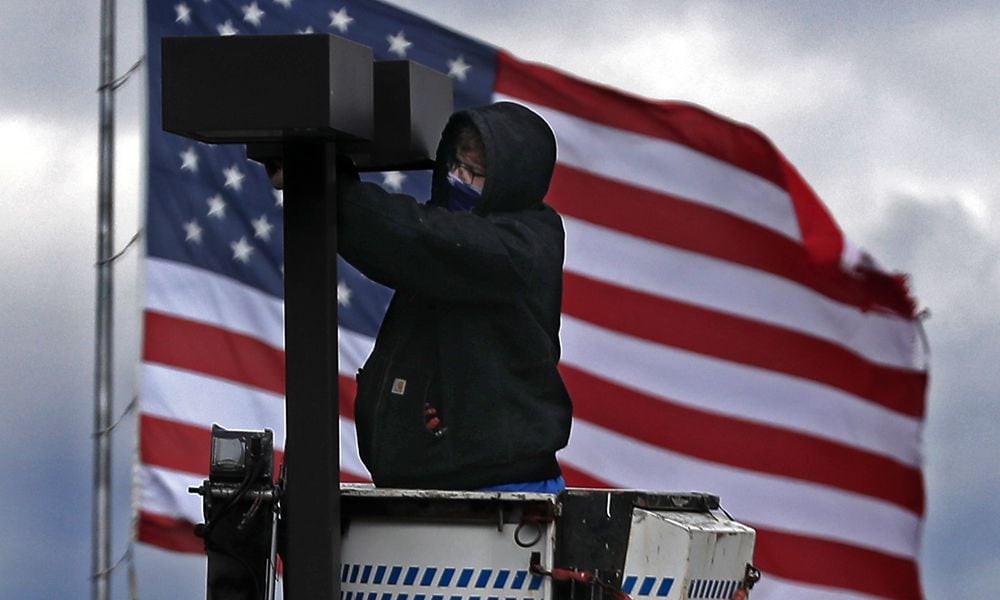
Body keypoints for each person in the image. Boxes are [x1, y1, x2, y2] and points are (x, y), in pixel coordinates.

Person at [335, 101, 573, 492]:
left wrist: (333, 191)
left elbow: (415, 237)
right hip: (432, 490)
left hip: (498, 494)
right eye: (456, 166)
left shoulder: (518, 246)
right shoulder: (449, 238)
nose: (459, 180)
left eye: (475, 174)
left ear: (510, 182)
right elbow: (402, 237)